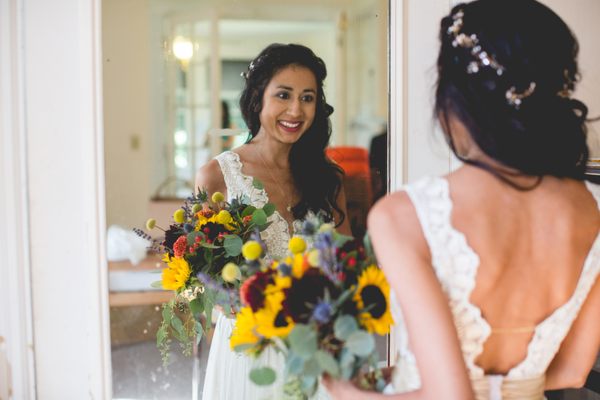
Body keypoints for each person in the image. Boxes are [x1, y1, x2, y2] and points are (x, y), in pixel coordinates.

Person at [324, 0, 600, 399]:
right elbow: (573, 370)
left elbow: (450, 395)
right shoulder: (589, 208)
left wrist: (342, 388)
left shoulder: (405, 215)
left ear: (452, 100)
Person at [196, 43, 351, 400]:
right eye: (283, 95)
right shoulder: (217, 176)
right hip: (251, 353)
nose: (296, 110)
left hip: (318, 349)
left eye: (307, 97)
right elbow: (205, 283)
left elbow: (347, 269)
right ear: (257, 100)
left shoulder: (329, 181)